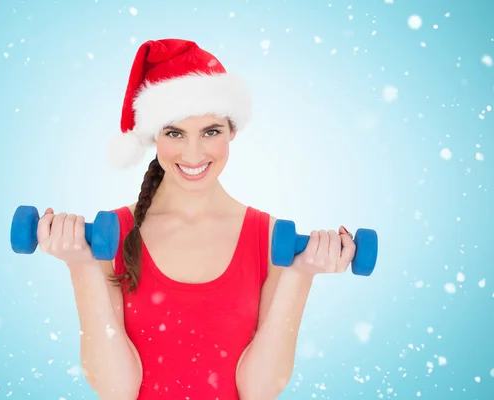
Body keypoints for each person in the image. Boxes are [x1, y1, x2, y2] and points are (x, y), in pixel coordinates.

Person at [36, 38, 356, 399]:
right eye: (175, 133)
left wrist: (301, 274)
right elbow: (116, 389)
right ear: (153, 136)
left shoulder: (268, 239)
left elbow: (259, 390)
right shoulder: (113, 236)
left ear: (232, 130)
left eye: (211, 132)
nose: (193, 153)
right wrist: (81, 267)